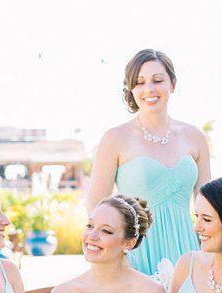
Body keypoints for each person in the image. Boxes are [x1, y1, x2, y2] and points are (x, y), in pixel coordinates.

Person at [85, 49, 211, 276]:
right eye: (139, 82)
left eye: (158, 80)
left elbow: (209, 206)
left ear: (172, 83)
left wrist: (212, 254)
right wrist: (116, 258)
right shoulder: (115, 138)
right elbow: (96, 206)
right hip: (137, 255)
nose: (149, 89)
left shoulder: (195, 137)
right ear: (131, 89)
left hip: (189, 253)